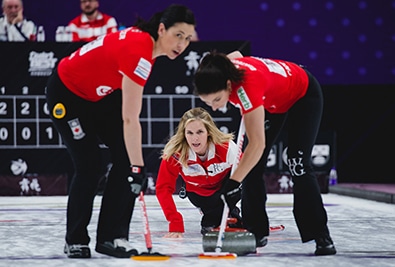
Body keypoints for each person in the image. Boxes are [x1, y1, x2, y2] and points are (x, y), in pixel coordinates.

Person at [45, 4, 196, 259]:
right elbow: (129, 118)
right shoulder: (140, 53)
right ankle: (75, 240)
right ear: (161, 29)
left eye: (188, 38)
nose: (182, 44)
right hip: (67, 95)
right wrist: (138, 169)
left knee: (128, 162)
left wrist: (134, 167)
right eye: (178, 35)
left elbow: (127, 118)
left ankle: (112, 238)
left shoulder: (145, 46)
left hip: (100, 95)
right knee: (91, 164)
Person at [193, 51, 337, 256]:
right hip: (273, 101)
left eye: (217, 99)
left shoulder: (246, 88)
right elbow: (235, 54)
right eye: (208, 103)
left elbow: (257, 145)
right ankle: (256, 231)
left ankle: (320, 234)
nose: (215, 107)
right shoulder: (225, 67)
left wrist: (233, 183)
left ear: (227, 85)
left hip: (303, 94)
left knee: (298, 163)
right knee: (252, 164)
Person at [156, 107, 243, 238]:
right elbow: (163, 188)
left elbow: (249, 175)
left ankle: (229, 212)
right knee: (211, 218)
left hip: (227, 190)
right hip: (199, 194)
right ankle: (221, 214)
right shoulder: (175, 154)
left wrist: (253, 215)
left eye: (200, 132)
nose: (195, 138)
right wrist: (175, 223)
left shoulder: (227, 148)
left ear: (208, 132)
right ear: (183, 133)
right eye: (189, 133)